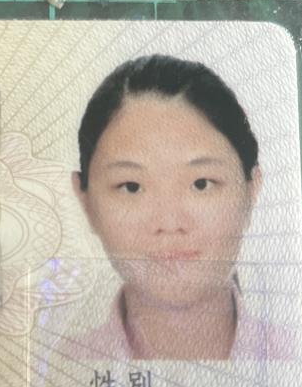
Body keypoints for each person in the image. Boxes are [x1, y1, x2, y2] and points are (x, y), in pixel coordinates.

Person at [67, 53, 285, 362]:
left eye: (201, 184)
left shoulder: (293, 359)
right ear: (85, 201)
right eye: (132, 187)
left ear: (251, 190)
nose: (169, 223)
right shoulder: (58, 369)